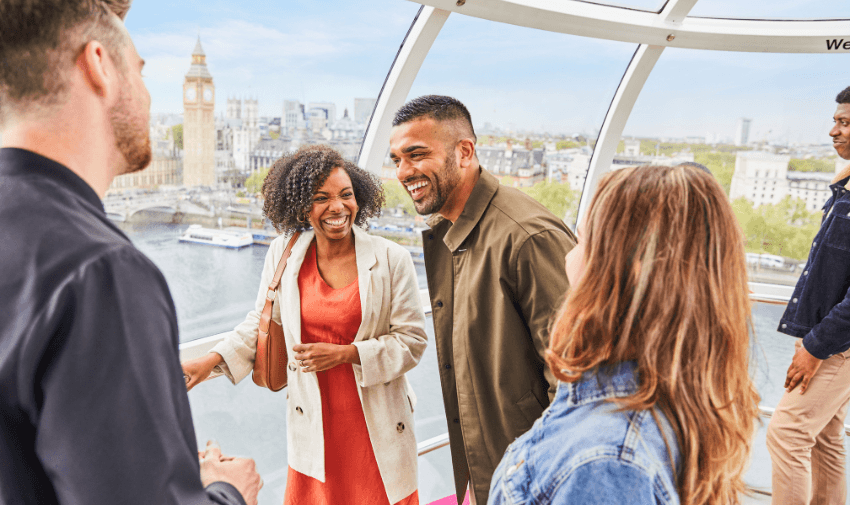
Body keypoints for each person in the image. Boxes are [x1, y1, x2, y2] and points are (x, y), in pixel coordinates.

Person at [0, 1, 261, 504]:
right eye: (140, 71)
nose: (146, 94)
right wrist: (228, 492)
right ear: (99, 64)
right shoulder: (99, 271)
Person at [489, 164, 760, 505]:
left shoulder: (605, 461)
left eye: (583, 239)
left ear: (618, 270)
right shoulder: (676, 401)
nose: (569, 255)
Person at [182, 144, 428, 505]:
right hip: (314, 420)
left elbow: (412, 341)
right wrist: (210, 361)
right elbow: (263, 322)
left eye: (347, 195)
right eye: (321, 198)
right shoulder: (284, 254)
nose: (338, 207)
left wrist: (347, 354)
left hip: (376, 422)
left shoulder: (392, 259)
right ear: (300, 206)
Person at [389, 95, 576, 505]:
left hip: (531, 477)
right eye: (397, 159)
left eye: (417, 155)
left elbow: (572, 377)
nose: (404, 172)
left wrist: (536, 475)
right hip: (492, 471)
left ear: (465, 151)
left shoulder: (527, 236)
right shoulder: (455, 234)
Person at [767, 85, 850, 505]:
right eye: (836, 120)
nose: (833, 131)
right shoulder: (846, 187)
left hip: (837, 345)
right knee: (826, 435)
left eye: (845, 122)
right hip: (828, 338)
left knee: (788, 433)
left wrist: (815, 348)